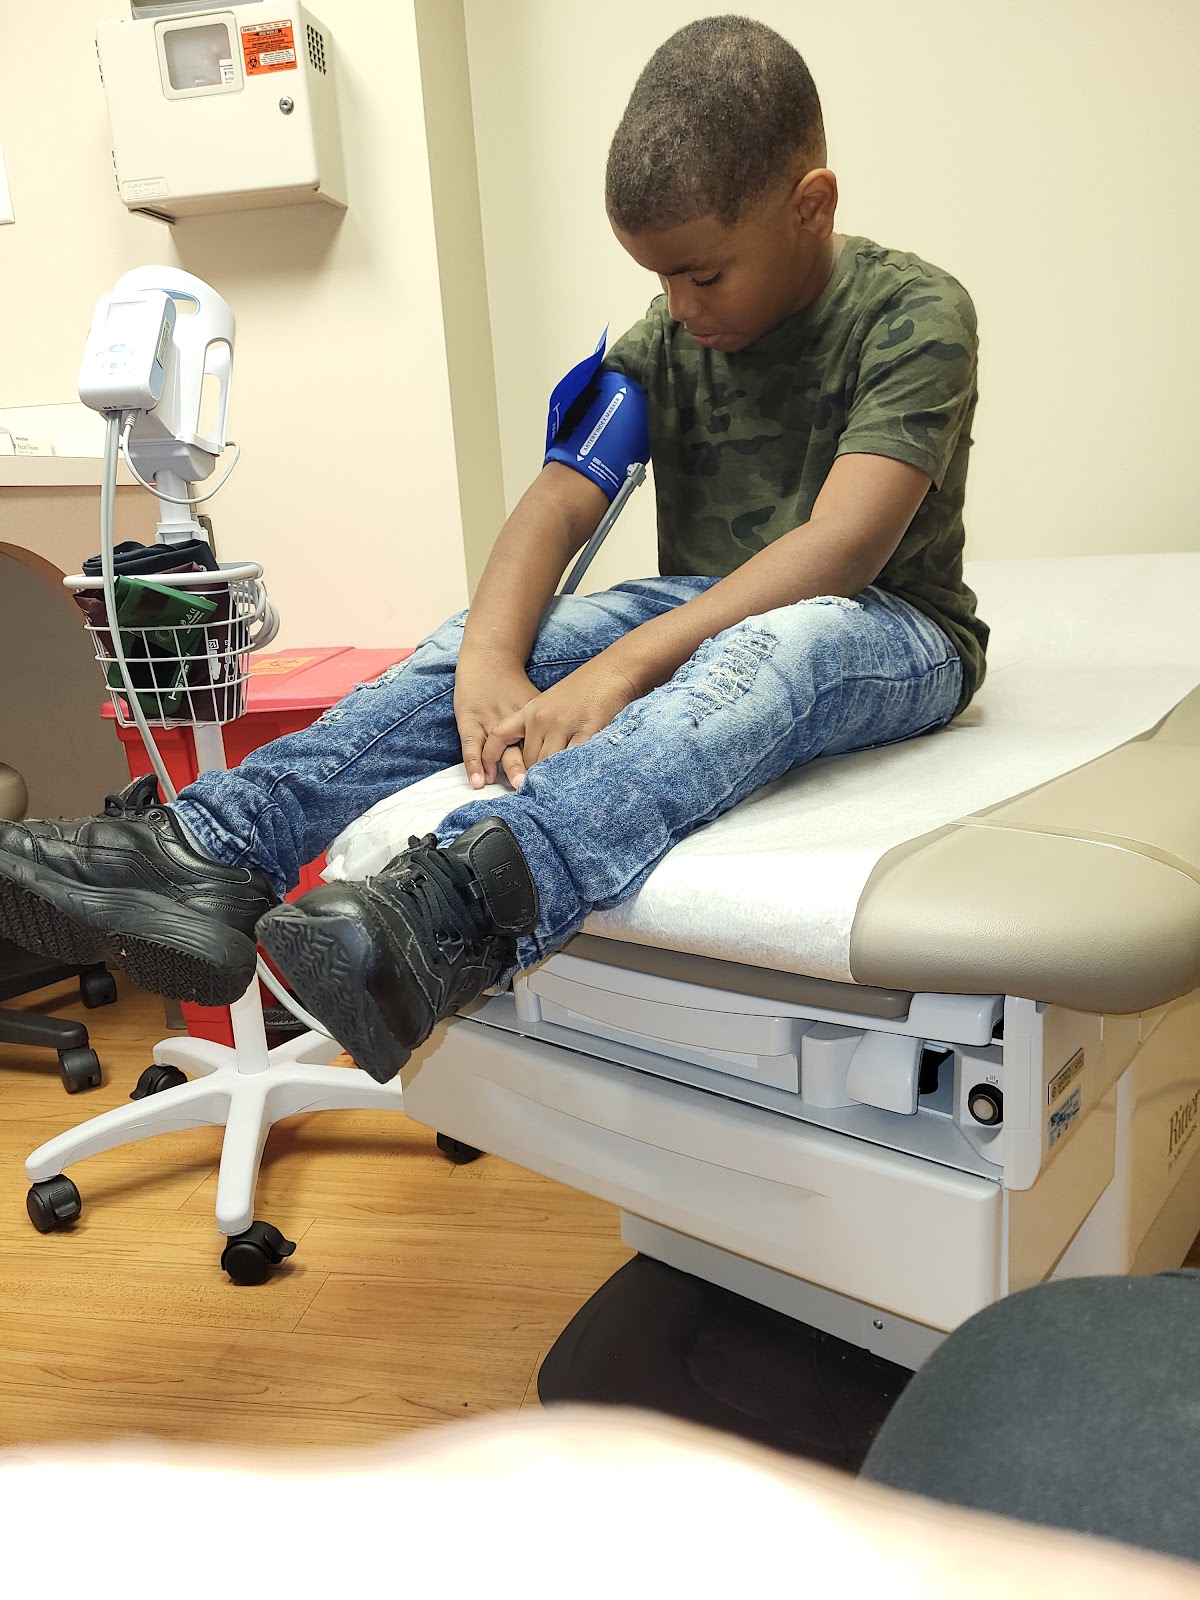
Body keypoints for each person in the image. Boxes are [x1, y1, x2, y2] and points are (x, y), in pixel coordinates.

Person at [0, 15, 986, 1086]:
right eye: (661, 280)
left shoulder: (914, 314)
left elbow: (842, 546)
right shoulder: (668, 339)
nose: (679, 307)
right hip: (707, 603)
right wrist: (489, 658)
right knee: (506, 632)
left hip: (889, 623)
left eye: (703, 274)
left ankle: (461, 910)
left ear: (813, 205)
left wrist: (622, 669)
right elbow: (555, 506)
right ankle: (209, 848)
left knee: (777, 652)